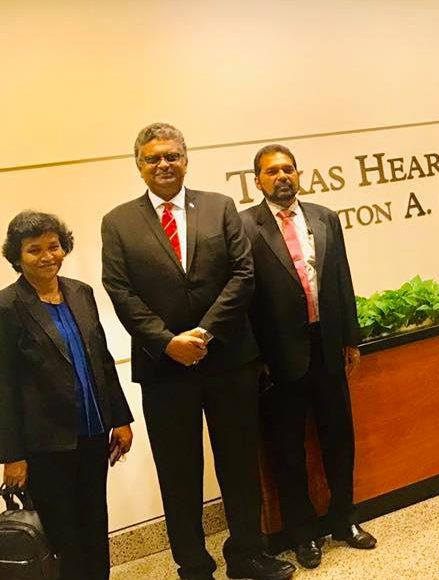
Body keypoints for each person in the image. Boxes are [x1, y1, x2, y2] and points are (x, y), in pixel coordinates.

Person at [100, 123, 294, 580]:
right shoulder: (118, 222)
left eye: (171, 155)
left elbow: (243, 274)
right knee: (178, 473)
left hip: (229, 359)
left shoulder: (219, 206)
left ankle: (247, 555)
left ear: (186, 160)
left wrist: (204, 335)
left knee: (240, 464)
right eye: (153, 158)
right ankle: (193, 566)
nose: (163, 164)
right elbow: (120, 290)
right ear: (139, 166)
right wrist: (167, 342)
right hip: (164, 368)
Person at [240, 144, 376, 570]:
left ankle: (344, 520)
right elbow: (243, 299)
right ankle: (302, 534)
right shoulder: (244, 227)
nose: (282, 176)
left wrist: (350, 338)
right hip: (278, 357)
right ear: (257, 181)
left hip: (327, 347)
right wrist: (255, 357)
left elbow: (341, 280)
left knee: (339, 438)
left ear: (298, 174)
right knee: (288, 450)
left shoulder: (324, 217)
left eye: (288, 169)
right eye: (272, 171)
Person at [0, 211, 133, 580]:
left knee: (95, 525)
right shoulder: (7, 307)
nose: (47, 256)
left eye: (54, 246)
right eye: (34, 249)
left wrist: (121, 419)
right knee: (64, 536)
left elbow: (103, 360)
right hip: (45, 445)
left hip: (93, 434)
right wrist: (11, 455)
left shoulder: (81, 292)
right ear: (16, 256)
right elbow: (4, 385)